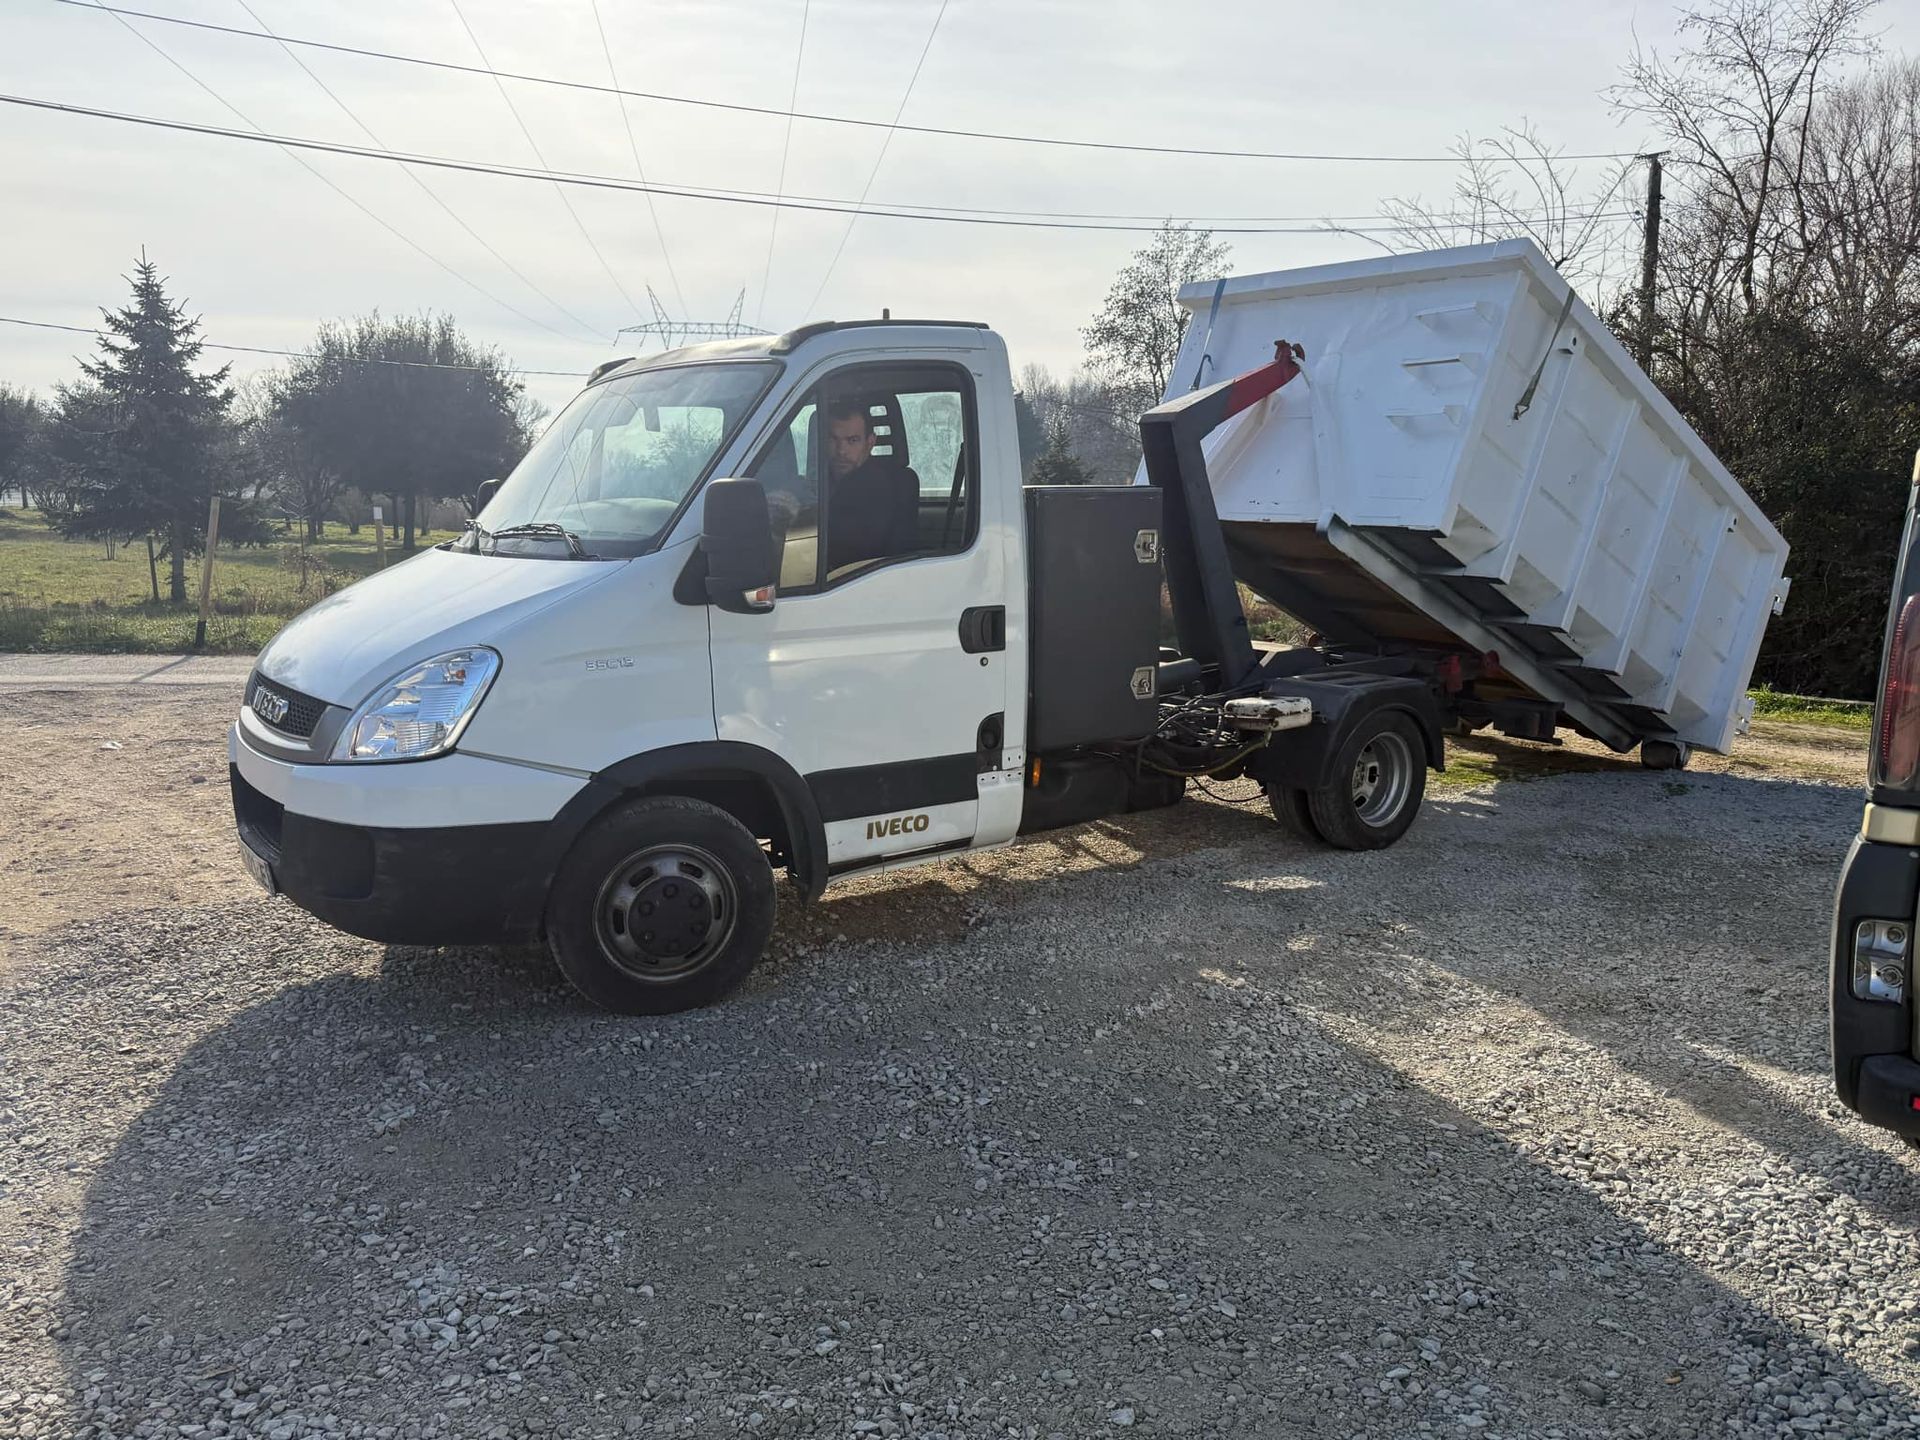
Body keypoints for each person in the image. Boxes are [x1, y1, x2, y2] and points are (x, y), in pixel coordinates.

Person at [818, 398, 919, 572]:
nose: (841, 450)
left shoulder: (879, 489)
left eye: (853, 440)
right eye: (833, 439)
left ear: (870, 442)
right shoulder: (818, 482)